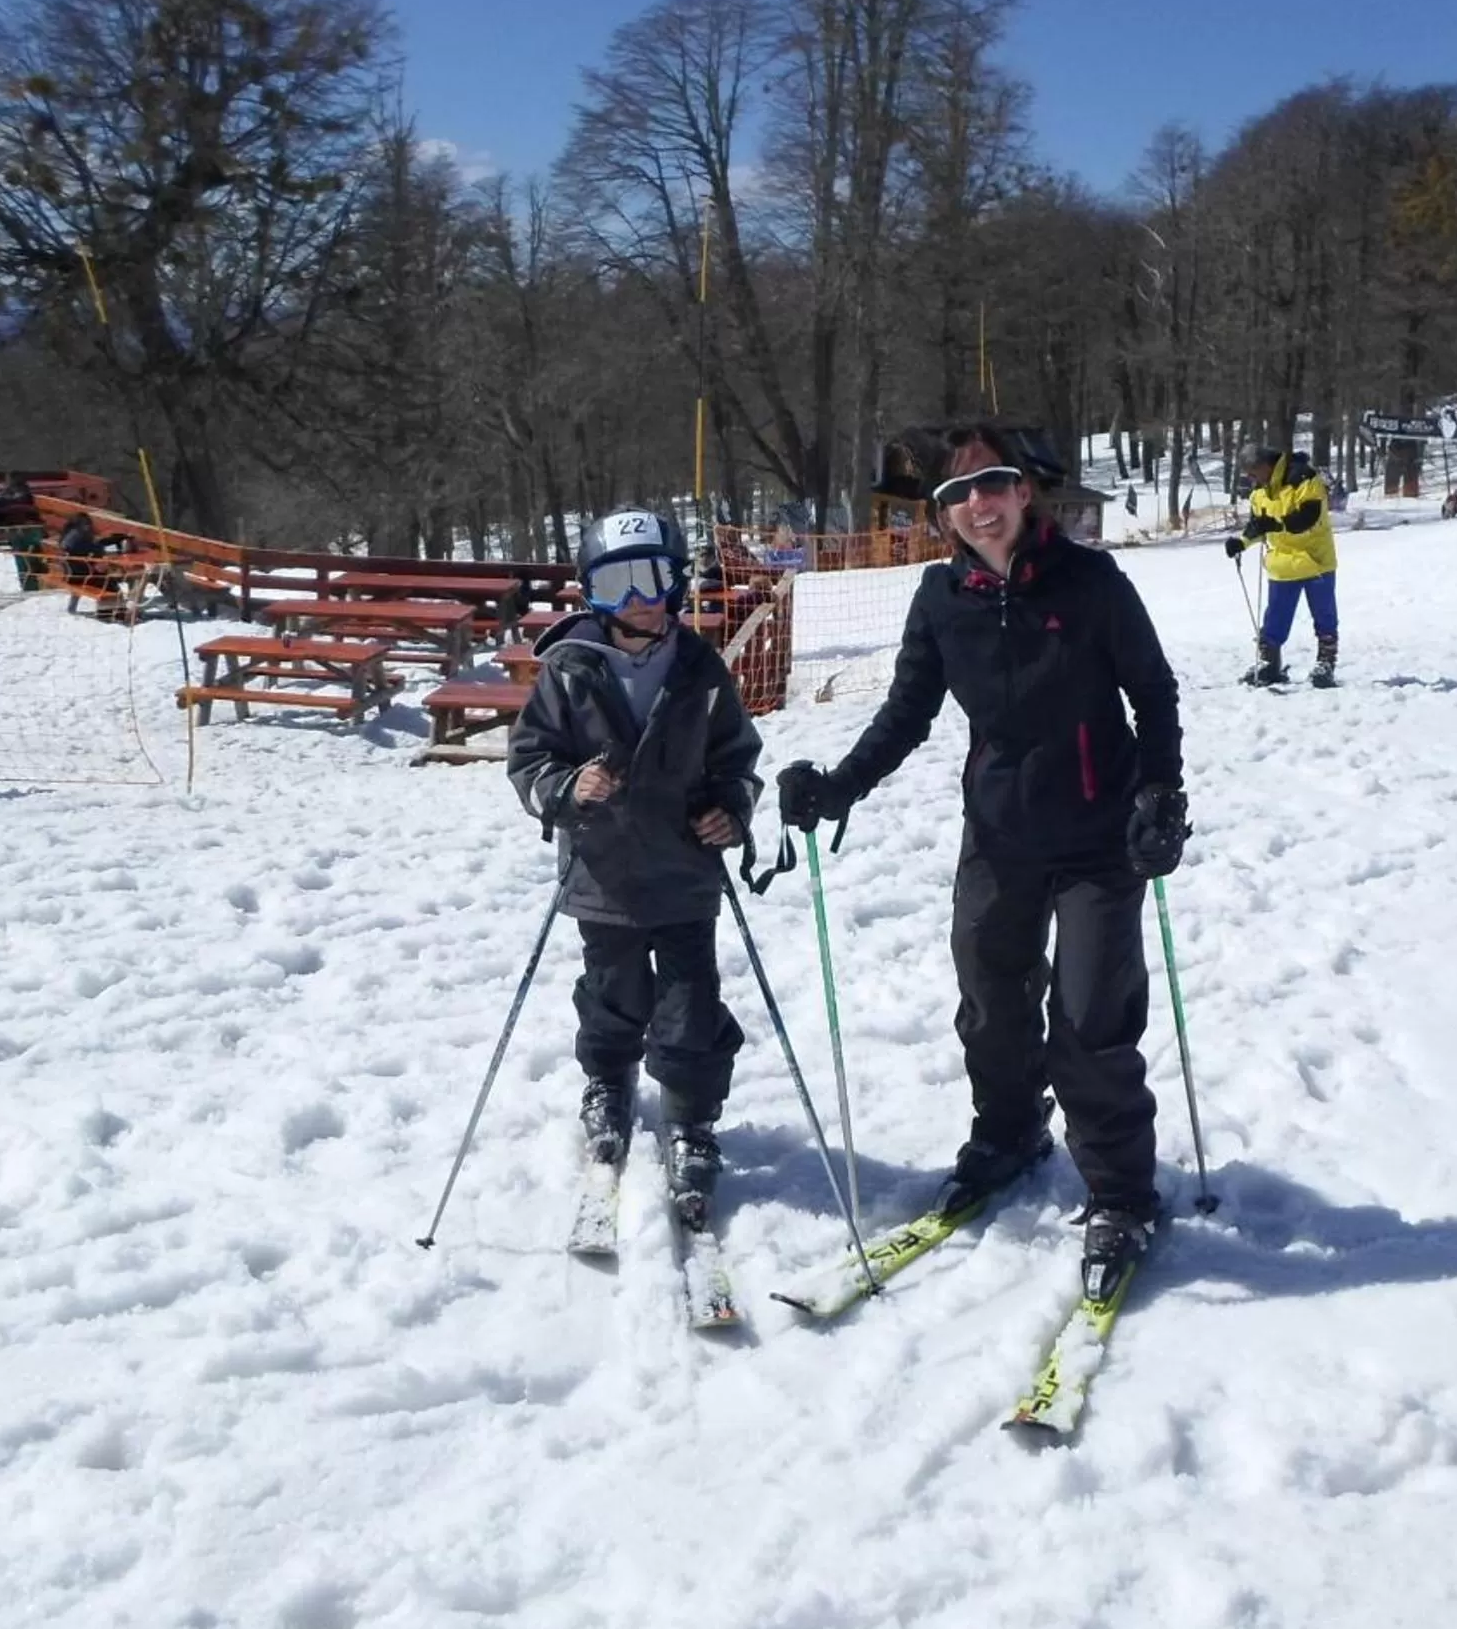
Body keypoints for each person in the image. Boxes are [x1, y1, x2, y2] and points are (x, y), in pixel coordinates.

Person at [775, 423, 1186, 1297]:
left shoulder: (1091, 583)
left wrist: (1161, 794)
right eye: (957, 495)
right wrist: (840, 786)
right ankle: (1008, 1132)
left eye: (992, 484)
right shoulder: (941, 597)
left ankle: (1120, 1193)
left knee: (1090, 1016)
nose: (978, 505)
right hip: (999, 836)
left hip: (1098, 837)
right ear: (943, 515)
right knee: (991, 998)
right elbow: (908, 711)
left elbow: (1152, 692)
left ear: (1024, 491)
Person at [507, 509, 763, 1229]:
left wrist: (730, 808)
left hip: (683, 872)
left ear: (676, 582)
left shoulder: (700, 670)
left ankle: (691, 1114)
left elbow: (736, 758)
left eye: (651, 578)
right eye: (616, 582)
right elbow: (530, 758)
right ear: (591, 592)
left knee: (690, 1003)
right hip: (604, 872)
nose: (637, 599)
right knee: (612, 991)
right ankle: (608, 1081)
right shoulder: (568, 672)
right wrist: (566, 789)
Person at [1226, 444, 1338, 687]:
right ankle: (1269, 662)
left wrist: (1275, 523)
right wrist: (1241, 542)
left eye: (1253, 473)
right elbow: (1258, 525)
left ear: (1265, 466)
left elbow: (1308, 518)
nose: (1251, 479)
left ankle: (1325, 663)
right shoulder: (1259, 491)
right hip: (1282, 563)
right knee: (1276, 616)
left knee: (1324, 614)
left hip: (1316, 560)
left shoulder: (1304, 477)